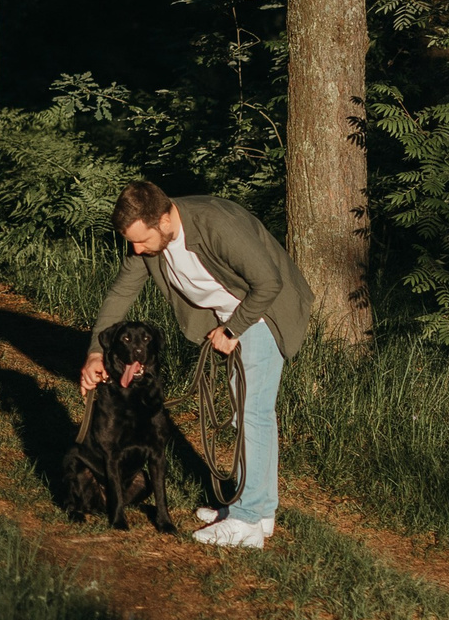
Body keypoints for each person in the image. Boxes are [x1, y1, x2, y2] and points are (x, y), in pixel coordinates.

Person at [80, 181, 314, 548]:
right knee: (249, 413)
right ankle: (260, 510)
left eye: (141, 240)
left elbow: (269, 281)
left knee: (250, 414)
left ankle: (247, 520)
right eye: (132, 243)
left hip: (263, 314)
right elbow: (121, 292)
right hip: (234, 317)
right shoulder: (148, 242)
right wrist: (96, 351)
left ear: (163, 218)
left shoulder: (215, 223)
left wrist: (233, 328)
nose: (136, 249)